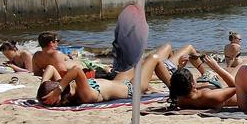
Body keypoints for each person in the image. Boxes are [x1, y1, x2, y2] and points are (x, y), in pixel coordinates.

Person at [36, 46, 171, 107]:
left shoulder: (69, 87)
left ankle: (153, 86)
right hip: (131, 89)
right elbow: (76, 70)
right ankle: (176, 91)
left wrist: (44, 86)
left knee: (141, 62)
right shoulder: (84, 95)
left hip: (119, 80)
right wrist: (58, 89)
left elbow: (51, 68)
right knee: (154, 59)